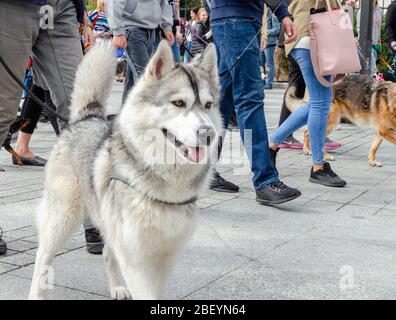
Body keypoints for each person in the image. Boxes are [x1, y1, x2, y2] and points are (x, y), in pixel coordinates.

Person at [0, 0, 104, 254]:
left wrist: (81, 13)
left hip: (62, 7)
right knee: (2, 111)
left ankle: (96, 217)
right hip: (12, 7)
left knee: (81, 110)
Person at [210, 0, 302, 204]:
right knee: (249, 100)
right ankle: (265, 180)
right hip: (238, 19)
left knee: (222, 102)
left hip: (230, 18)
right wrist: (283, 13)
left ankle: (201, 171)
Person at [269, 0, 347, 188]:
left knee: (320, 101)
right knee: (320, 101)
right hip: (311, 34)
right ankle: (318, 166)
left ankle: (271, 144)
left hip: (304, 32)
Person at [106, 0, 174, 103]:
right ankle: (146, 116)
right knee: (146, 77)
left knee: (134, 79)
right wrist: (118, 32)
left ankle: (125, 115)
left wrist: (167, 26)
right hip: (132, 28)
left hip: (151, 30)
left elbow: (163, 3)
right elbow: (114, 2)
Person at [358, 0, 383, 75]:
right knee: (373, 70)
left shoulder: (379, 11)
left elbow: (378, 28)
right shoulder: (362, 11)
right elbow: (359, 29)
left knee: (371, 70)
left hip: (375, 44)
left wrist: (379, 41)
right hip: (366, 45)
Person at [264, 8, 280, 90]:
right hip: (262, 42)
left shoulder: (272, 14)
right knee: (260, 64)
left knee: (270, 64)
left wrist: (265, 32)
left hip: (270, 43)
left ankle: (269, 83)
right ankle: (262, 83)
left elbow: (277, 29)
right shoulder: (262, 13)